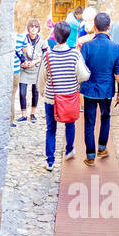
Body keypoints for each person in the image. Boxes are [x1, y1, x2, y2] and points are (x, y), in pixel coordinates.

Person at [42, 20, 89, 171]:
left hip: (52, 98)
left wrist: (43, 92)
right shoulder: (75, 55)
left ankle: (50, 161)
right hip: (69, 96)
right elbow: (84, 75)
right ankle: (69, 149)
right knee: (70, 124)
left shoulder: (47, 55)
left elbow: (41, 79)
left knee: (51, 129)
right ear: (68, 35)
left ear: (54, 36)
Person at [80, 12, 119, 166]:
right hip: (106, 90)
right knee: (105, 118)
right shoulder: (116, 47)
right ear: (109, 27)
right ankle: (102, 148)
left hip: (90, 89)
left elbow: (81, 69)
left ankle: (90, 155)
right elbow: (118, 72)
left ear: (94, 27)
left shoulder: (86, 46)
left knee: (89, 122)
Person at [13, 18, 46, 125]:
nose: (34, 28)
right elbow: (17, 51)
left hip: (36, 70)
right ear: (28, 28)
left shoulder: (42, 42)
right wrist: (23, 62)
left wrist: (35, 61)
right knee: (22, 93)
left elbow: (45, 55)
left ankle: (32, 114)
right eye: (31, 26)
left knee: (35, 92)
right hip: (24, 69)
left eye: (36, 26)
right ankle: (23, 115)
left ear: (39, 28)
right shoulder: (23, 39)